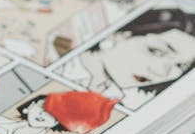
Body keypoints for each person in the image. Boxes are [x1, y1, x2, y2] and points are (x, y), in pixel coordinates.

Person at [58, 7, 195, 109]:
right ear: (123, 34)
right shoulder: (59, 61)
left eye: (180, 66)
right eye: (157, 51)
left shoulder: (116, 102)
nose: (161, 72)